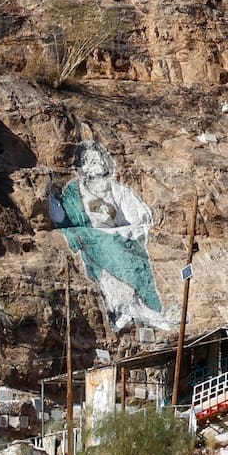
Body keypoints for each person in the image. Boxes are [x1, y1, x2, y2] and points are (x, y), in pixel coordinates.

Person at [48, 141, 175, 333]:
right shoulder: (74, 192)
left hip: (120, 237)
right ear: (82, 166)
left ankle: (140, 308)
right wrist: (51, 195)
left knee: (124, 254)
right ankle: (122, 310)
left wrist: (128, 233)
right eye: (90, 161)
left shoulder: (116, 189)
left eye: (99, 159)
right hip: (94, 239)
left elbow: (139, 216)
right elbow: (63, 219)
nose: (97, 164)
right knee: (106, 252)